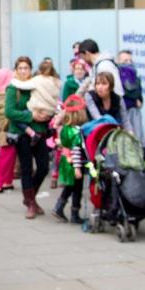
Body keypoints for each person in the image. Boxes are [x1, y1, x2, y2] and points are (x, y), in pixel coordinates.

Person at [4, 57, 52, 219]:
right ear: (16, 70)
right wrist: (32, 115)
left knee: (44, 167)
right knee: (26, 168)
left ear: (31, 70)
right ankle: (31, 203)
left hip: (40, 132)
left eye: (26, 68)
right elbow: (9, 112)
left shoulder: (36, 85)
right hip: (21, 133)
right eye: (21, 68)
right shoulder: (13, 88)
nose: (24, 71)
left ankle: (29, 197)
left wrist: (46, 114)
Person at [51, 95, 88, 224]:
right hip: (74, 163)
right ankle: (73, 213)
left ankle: (59, 208)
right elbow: (76, 151)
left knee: (69, 187)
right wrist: (78, 168)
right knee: (76, 189)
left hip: (65, 160)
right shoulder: (76, 132)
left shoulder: (66, 128)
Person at [116, 50, 144, 143]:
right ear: (118, 61)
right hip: (121, 112)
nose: (128, 63)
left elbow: (138, 92)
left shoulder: (135, 76)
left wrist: (139, 99)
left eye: (130, 60)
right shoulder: (116, 75)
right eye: (125, 61)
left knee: (136, 138)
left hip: (134, 111)